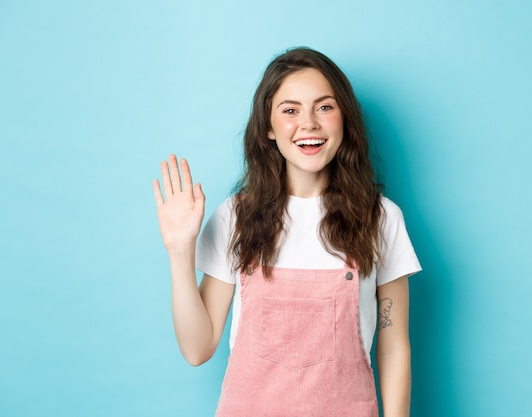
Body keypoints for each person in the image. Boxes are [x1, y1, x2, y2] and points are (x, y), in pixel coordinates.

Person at [153, 47, 421, 417]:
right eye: (290, 110)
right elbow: (197, 349)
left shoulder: (381, 218)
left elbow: (394, 348)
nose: (308, 123)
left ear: (345, 119)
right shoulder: (236, 216)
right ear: (268, 126)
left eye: (324, 107)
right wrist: (180, 251)